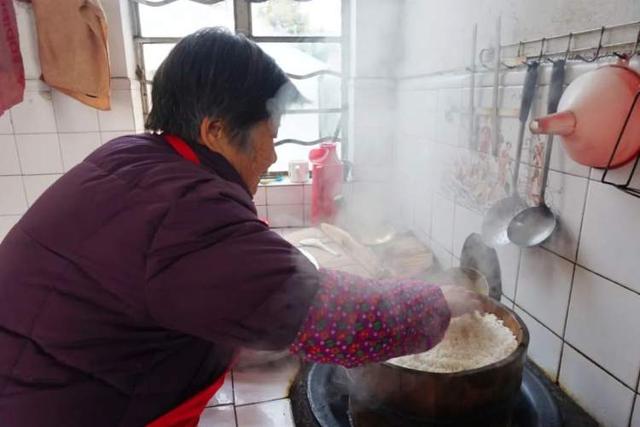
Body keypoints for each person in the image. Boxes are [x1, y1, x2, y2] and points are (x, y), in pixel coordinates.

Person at [0, 28, 482, 427]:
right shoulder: (184, 212)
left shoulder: (133, 158)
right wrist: (435, 303)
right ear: (214, 131)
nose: (272, 154)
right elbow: (334, 322)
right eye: (269, 136)